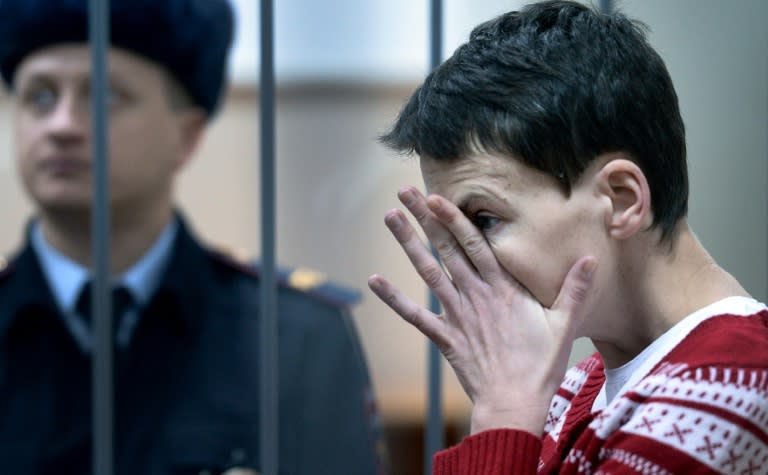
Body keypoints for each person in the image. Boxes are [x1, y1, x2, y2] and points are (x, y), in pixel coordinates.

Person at [369, 1, 768, 473]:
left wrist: (504, 415)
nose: (462, 264)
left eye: (483, 219)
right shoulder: (577, 385)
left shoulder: (730, 387)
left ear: (620, 199)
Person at [0, 0, 385, 474]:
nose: (61, 126)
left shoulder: (292, 339)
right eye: (39, 96)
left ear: (188, 136)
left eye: (103, 96)